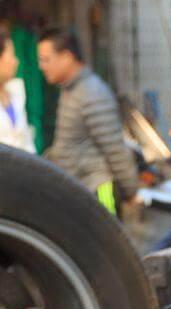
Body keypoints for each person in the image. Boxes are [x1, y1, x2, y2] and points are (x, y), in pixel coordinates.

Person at [37, 28, 136, 212]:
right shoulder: (70, 89)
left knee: (105, 240)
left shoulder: (92, 93)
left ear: (66, 56)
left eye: (45, 59)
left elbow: (114, 148)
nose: (41, 66)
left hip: (99, 191)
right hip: (81, 191)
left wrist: (131, 191)